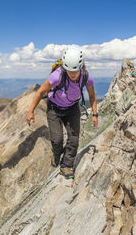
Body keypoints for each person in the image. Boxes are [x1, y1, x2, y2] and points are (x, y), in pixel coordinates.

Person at [26, 46, 98, 179]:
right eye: (69, 70)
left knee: (74, 139)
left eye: (75, 70)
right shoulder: (57, 76)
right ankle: (56, 154)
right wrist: (31, 111)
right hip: (54, 109)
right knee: (57, 140)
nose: (72, 73)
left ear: (81, 67)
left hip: (72, 109)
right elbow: (41, 91)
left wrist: (95, 114)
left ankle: (66, 166)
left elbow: (92, 95)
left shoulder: (86, 77)